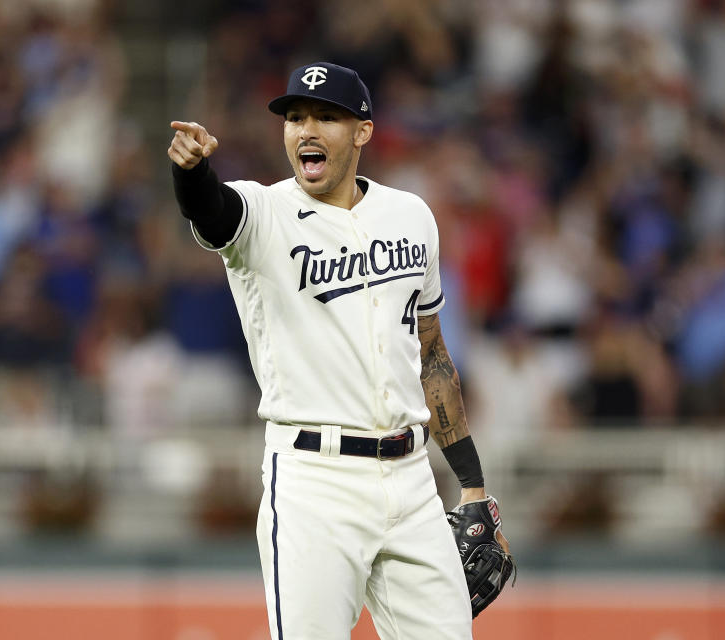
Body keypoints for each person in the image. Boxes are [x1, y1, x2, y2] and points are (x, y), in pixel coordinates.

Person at [168, 62, 510, 640]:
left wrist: (472, 482)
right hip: (313, 482)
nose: (306, 129)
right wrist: (194, 172)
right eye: (295, 117)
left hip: (412, 481)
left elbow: (431, 355)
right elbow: (213, 210)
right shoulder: (265, 213)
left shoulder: (411, 217)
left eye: (327, 116)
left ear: (363, 132)